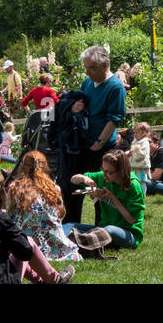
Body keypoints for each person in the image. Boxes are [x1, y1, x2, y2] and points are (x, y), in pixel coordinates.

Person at [61, 44, 126, 225]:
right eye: (86, 67)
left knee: (99, 192)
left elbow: (114, 120)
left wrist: (99, 143)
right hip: (81, 144)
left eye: (92, 68)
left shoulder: (115, 87)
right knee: (73, 188)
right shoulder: (87, 83)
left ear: (105, 65)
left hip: (101, 149)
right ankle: (71, 227)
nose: (88, 72)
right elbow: (80, 104)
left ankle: (102, 230)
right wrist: (74, 106)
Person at [8, 151, 81, 263]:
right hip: (53, 243)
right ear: (45, 167)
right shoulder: (54, 189)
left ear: (22, 167)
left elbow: (9, 215)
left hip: (24, 242)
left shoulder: (15, 188)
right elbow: (60, 215)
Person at [64, 149, 145, 250]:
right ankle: (78, 241)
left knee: (109, 230)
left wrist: (112, 198)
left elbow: (131, 220)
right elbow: (73, 179)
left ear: (121, 171)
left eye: (108, 172)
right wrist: (84, 179)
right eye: (103, 169)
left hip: (128, 234)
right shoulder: (103, 177)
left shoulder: (133, 186)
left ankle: (81, 242)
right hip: (102, 229)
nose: (104, 175)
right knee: (68, 226)